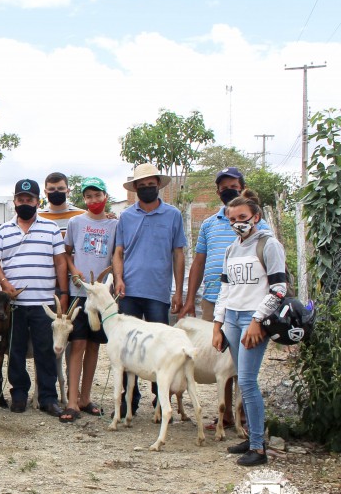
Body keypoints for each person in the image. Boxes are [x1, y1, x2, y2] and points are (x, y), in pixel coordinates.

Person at [183, 167, 268, 429]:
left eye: (233, 186)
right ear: (217, 191)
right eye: (223, 188)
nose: (227, 191)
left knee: (245, 363)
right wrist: (190, 299)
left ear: (242, 188)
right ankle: (226, 415)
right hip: (215, 300)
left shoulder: (259, 225)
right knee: (221, 358)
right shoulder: (209, 224)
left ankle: (245, 417)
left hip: (250, 303)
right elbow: (198, 262)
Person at [212, 190, 286, 467]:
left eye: (242, 217)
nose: (237, 223)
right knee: (241, 378)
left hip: (253, 320)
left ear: (256, 217)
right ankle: (252, 436)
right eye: (232, 219)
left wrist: (257, 321)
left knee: (247, 381)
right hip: (232, 318)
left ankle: (258, 447)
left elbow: (278, 289)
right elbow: (225, 289)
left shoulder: (268, 244)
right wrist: (218, 325)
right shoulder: (231, 249)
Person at [0, 179, 68, 417]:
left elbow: (60, 261)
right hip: (15, 305)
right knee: (15, 350)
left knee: (45, 351)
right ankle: (19, 395)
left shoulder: (51, 228)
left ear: (37, 201)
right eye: (20, 199)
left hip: (44, 303)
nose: (25, 203)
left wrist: (63, 293)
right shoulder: (4, 230)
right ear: (14, 201)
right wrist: (4, 283)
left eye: (29, 199)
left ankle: (48, 398)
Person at [112, 163, 186, 415]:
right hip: (129, 291)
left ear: (158, 186)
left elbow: (178, 254)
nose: (146, 188)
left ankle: (160, 403)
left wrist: (178, 291)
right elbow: (118, 252)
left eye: (150, 185)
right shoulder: (126, 217)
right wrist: (118, 278)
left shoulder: (173, 215)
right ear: (135, 188)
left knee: (160, 349)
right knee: (127, 348)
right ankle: (127, 402)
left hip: (158, 292)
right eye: (142, 185)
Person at [61, 177, 116, 422]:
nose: (94, 200)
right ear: (83, 199)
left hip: (102, 297)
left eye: (97, 195)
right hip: (79, 294)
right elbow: (66, 253)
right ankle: (72, 401)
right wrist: (74, 271)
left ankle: (85, 398)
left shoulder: (115, 224)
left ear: (105, 197)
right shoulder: (76, 222)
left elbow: (117, 255)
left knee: (94, 346)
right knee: (78, 344)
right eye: (89, 196)